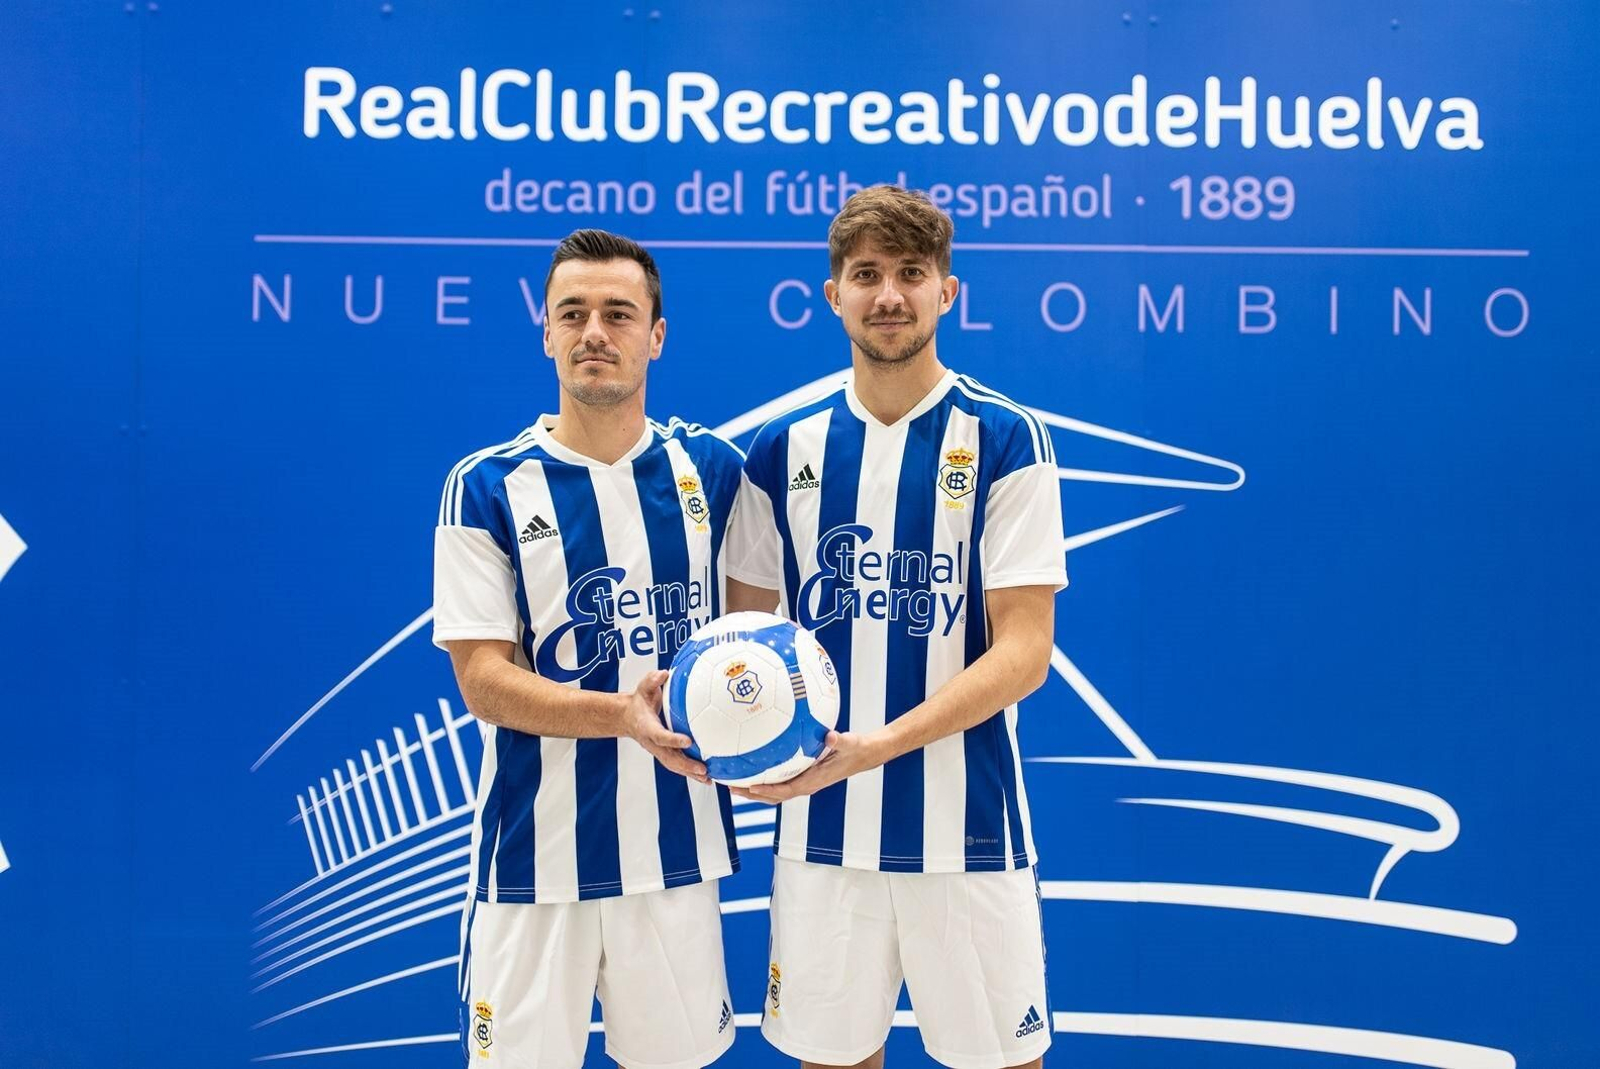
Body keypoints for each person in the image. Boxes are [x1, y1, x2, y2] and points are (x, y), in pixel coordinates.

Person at [726, 186, 1065, 1069]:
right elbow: (743, 645)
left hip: (970, 830)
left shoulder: (1006, 438)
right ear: (831, 293)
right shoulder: (779, 449)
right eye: (866, 274)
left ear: (947, 291)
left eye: (911, 273)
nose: (888, 295)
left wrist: (881, 744)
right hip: (822, 829)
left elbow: (1026, 649)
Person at [434, 229, 743, 1069]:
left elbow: (757, 640)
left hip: (674, 857)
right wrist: (621, 714)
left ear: (656, 335)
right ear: (546, 332)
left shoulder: (713, 471)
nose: (593, 332)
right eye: (572, 313)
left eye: (618, 313)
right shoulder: (487, 485)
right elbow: (485, 682)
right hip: (533, 867)